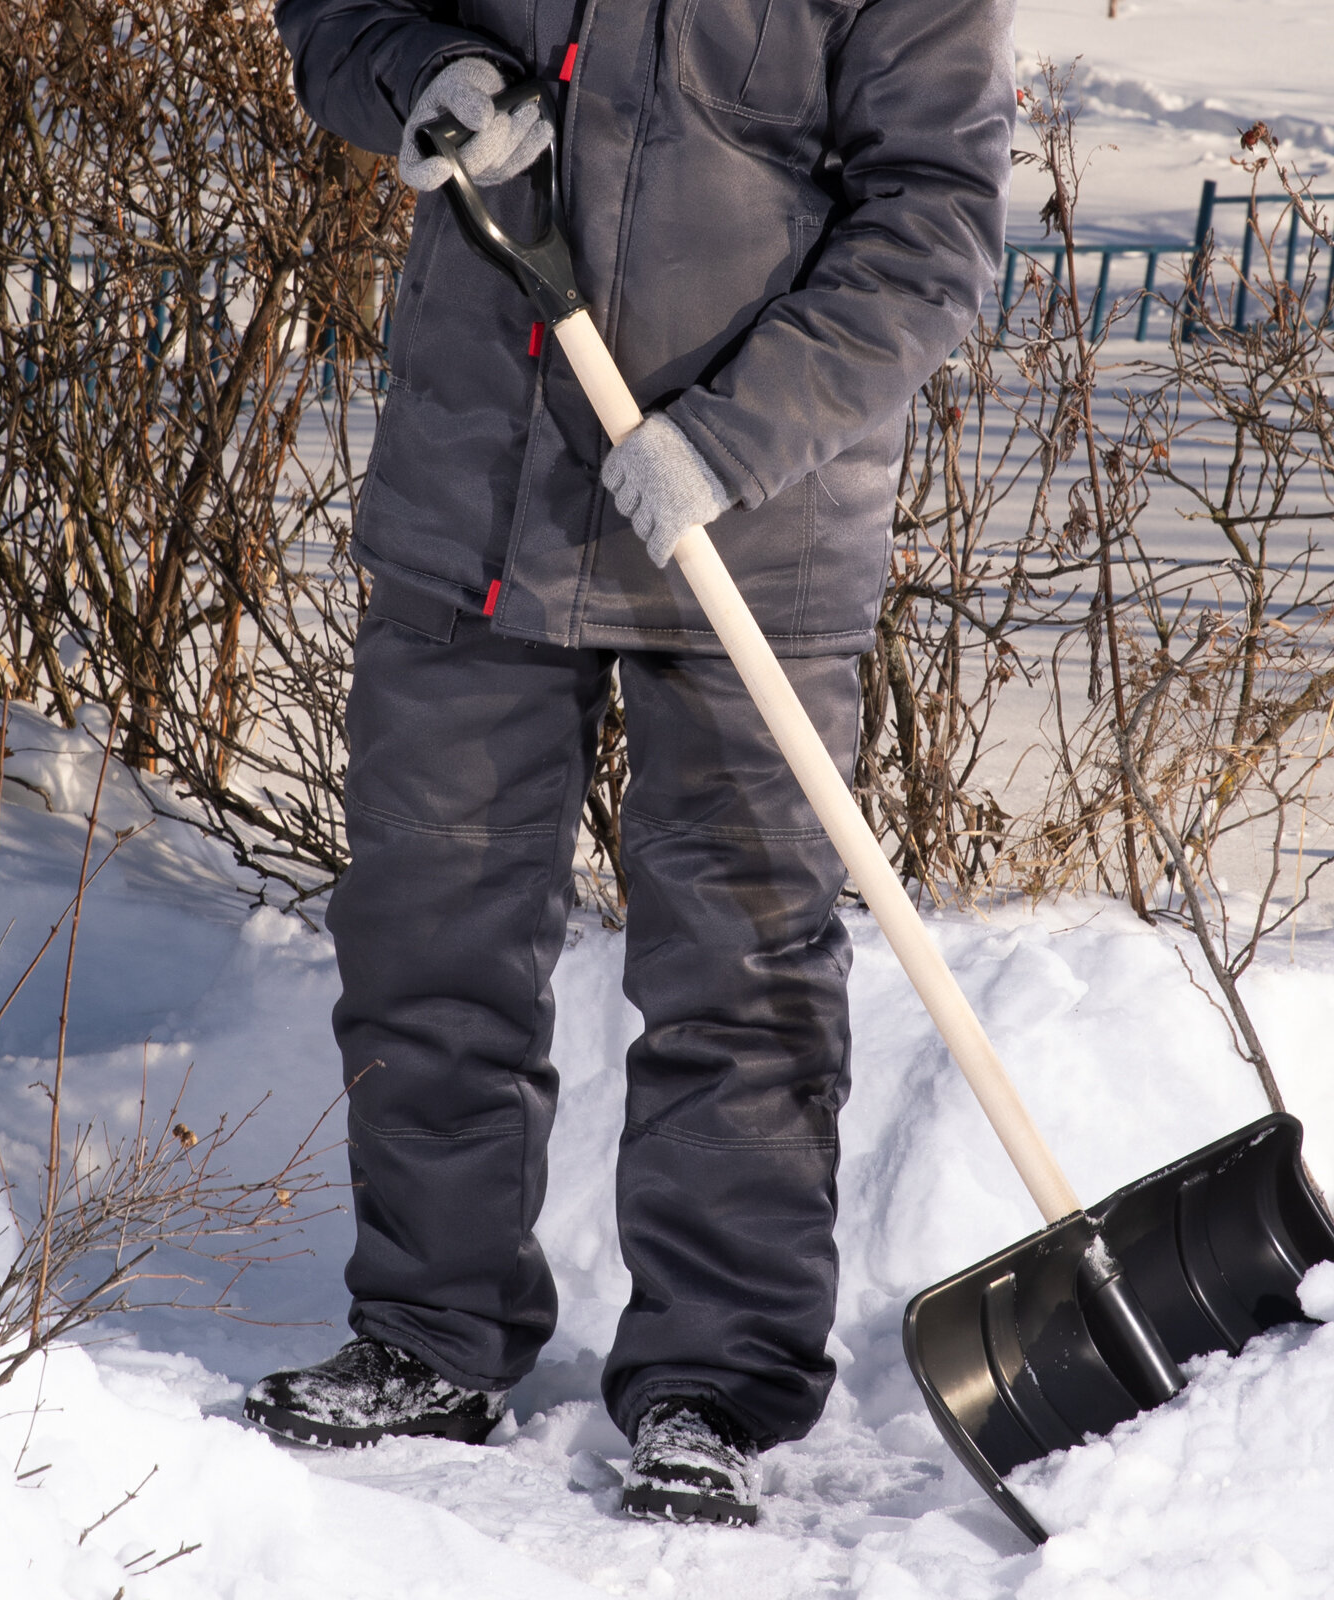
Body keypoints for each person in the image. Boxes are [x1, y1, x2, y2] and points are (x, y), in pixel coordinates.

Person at [248, 0, 1015, 1526]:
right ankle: (429, 1331)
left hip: (755, 530)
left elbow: (929, 222)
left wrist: (731, 439)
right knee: (429, 942)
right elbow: (338, 13)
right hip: (476, 504)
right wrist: (426, 72)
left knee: (743, 973)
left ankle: (715, 1382)